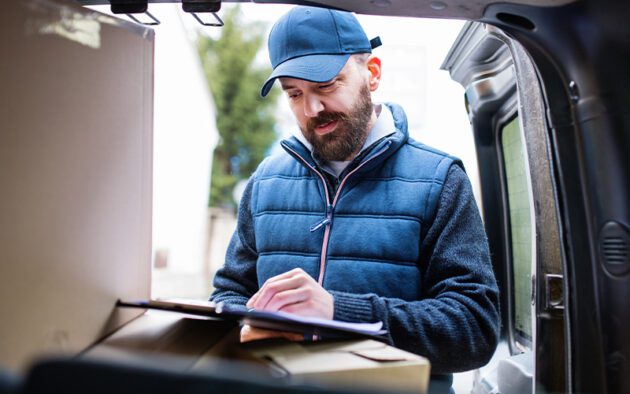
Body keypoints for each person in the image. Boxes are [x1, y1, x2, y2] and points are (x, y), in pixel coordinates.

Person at [211, 6, 500, 392]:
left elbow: (474, 328)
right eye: (295, 94)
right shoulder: (265, 182)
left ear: (373, 73)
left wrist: (338, 312)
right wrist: (247, 317)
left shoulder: (440, 180)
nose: (311, 109)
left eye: (326, 86)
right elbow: (228, 293)